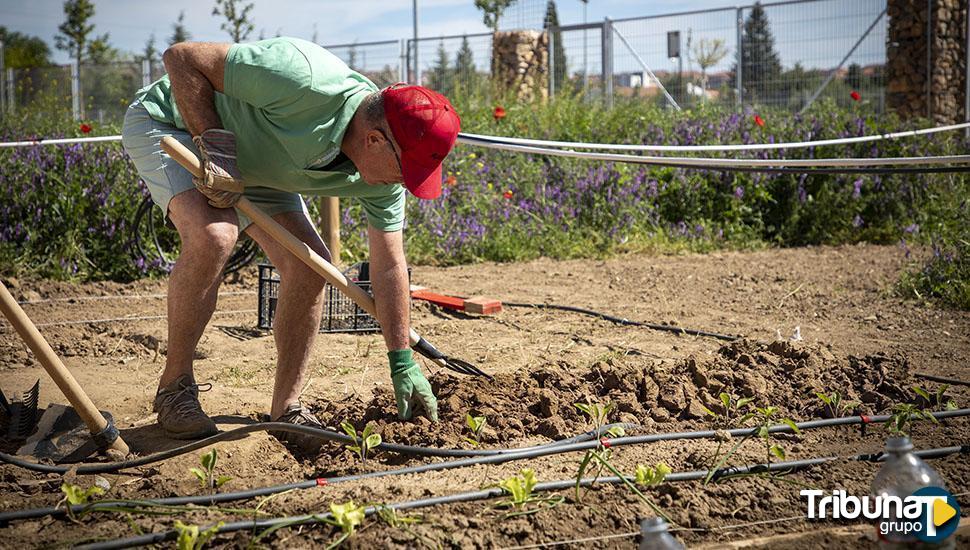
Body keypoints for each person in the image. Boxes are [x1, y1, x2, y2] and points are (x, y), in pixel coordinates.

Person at [120, 37, 460, 452]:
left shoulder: (383, 180)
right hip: (174, 123)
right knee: (215, 235)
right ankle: (175, 387)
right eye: (407, 169)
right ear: (374, 140)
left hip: (259, 166)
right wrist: (216, 146)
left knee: (310, 265)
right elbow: (182, 57)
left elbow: (389, 265)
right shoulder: (303, 79)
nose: (406, 183)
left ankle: (287, 408)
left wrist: (401, 358)